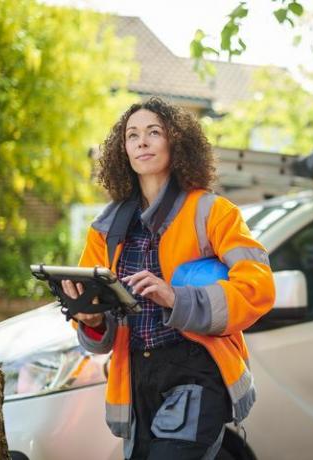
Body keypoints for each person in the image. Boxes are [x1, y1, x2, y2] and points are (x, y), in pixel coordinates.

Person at [61, 97, 275, 460]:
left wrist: (176, 298)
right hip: (136, 376)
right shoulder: (104, 230)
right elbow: (100, 338)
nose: (141, 142)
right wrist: (91, 319)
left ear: (175, 142)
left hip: (196, 370)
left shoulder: (214, 212)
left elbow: (258, 287)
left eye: (153, 132)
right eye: (132, 135)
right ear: (123, 150)